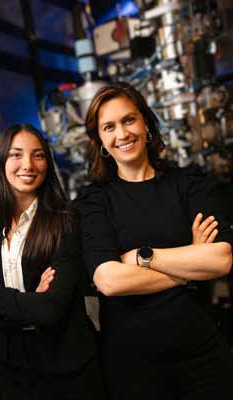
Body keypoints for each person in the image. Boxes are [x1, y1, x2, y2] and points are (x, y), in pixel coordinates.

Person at [73, 82, 233, 400]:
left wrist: (141, 257)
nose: (122, 134)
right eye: (109, 126)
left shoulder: (190, 183)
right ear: (100, 140)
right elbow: (109, 280)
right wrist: (190, 260)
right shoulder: (93, 201)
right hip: (133, 368)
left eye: (129, 120)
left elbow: (221, 260)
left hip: (202, 357)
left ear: (146, 123)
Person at [0, 124, 105, 400]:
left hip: (66, 372)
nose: (27, 165)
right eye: (16, 155)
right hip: (11, 372)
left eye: (38, 155)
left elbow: (49, 309)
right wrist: (26, 300)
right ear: (1, 161)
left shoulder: (65, 223)